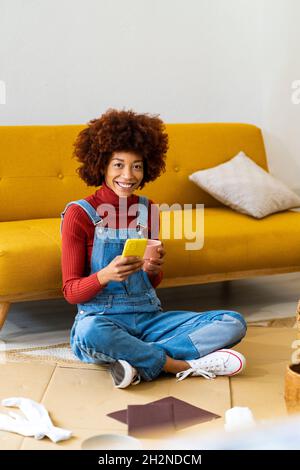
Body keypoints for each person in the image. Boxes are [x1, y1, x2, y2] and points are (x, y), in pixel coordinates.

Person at [60, 108, 247, 389]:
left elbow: (151, 284)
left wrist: (152, 269)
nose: (128, 175)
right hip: (101, 319)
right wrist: (105, 275)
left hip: (149, 319)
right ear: (101, 165)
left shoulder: (149, 210)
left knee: (232, 322)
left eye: (137, 166)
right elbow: (71, 292)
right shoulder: (80, 213)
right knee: (88, 333)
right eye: (118, 165)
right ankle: (176, 365)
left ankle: (134, 358)